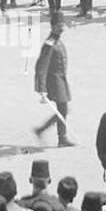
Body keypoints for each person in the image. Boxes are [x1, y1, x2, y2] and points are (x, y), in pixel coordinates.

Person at [33, 16, 74, 148]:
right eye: (59, 25)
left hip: (61, 79)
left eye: (62, 25)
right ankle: (61, 138)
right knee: (63, 109)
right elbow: (41, 66)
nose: (61, 28)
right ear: (53, 26)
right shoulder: (50, 43)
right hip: (54, 81)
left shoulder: (57, 40)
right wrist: (42, 88)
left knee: (63, 109)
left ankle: (44, 131)